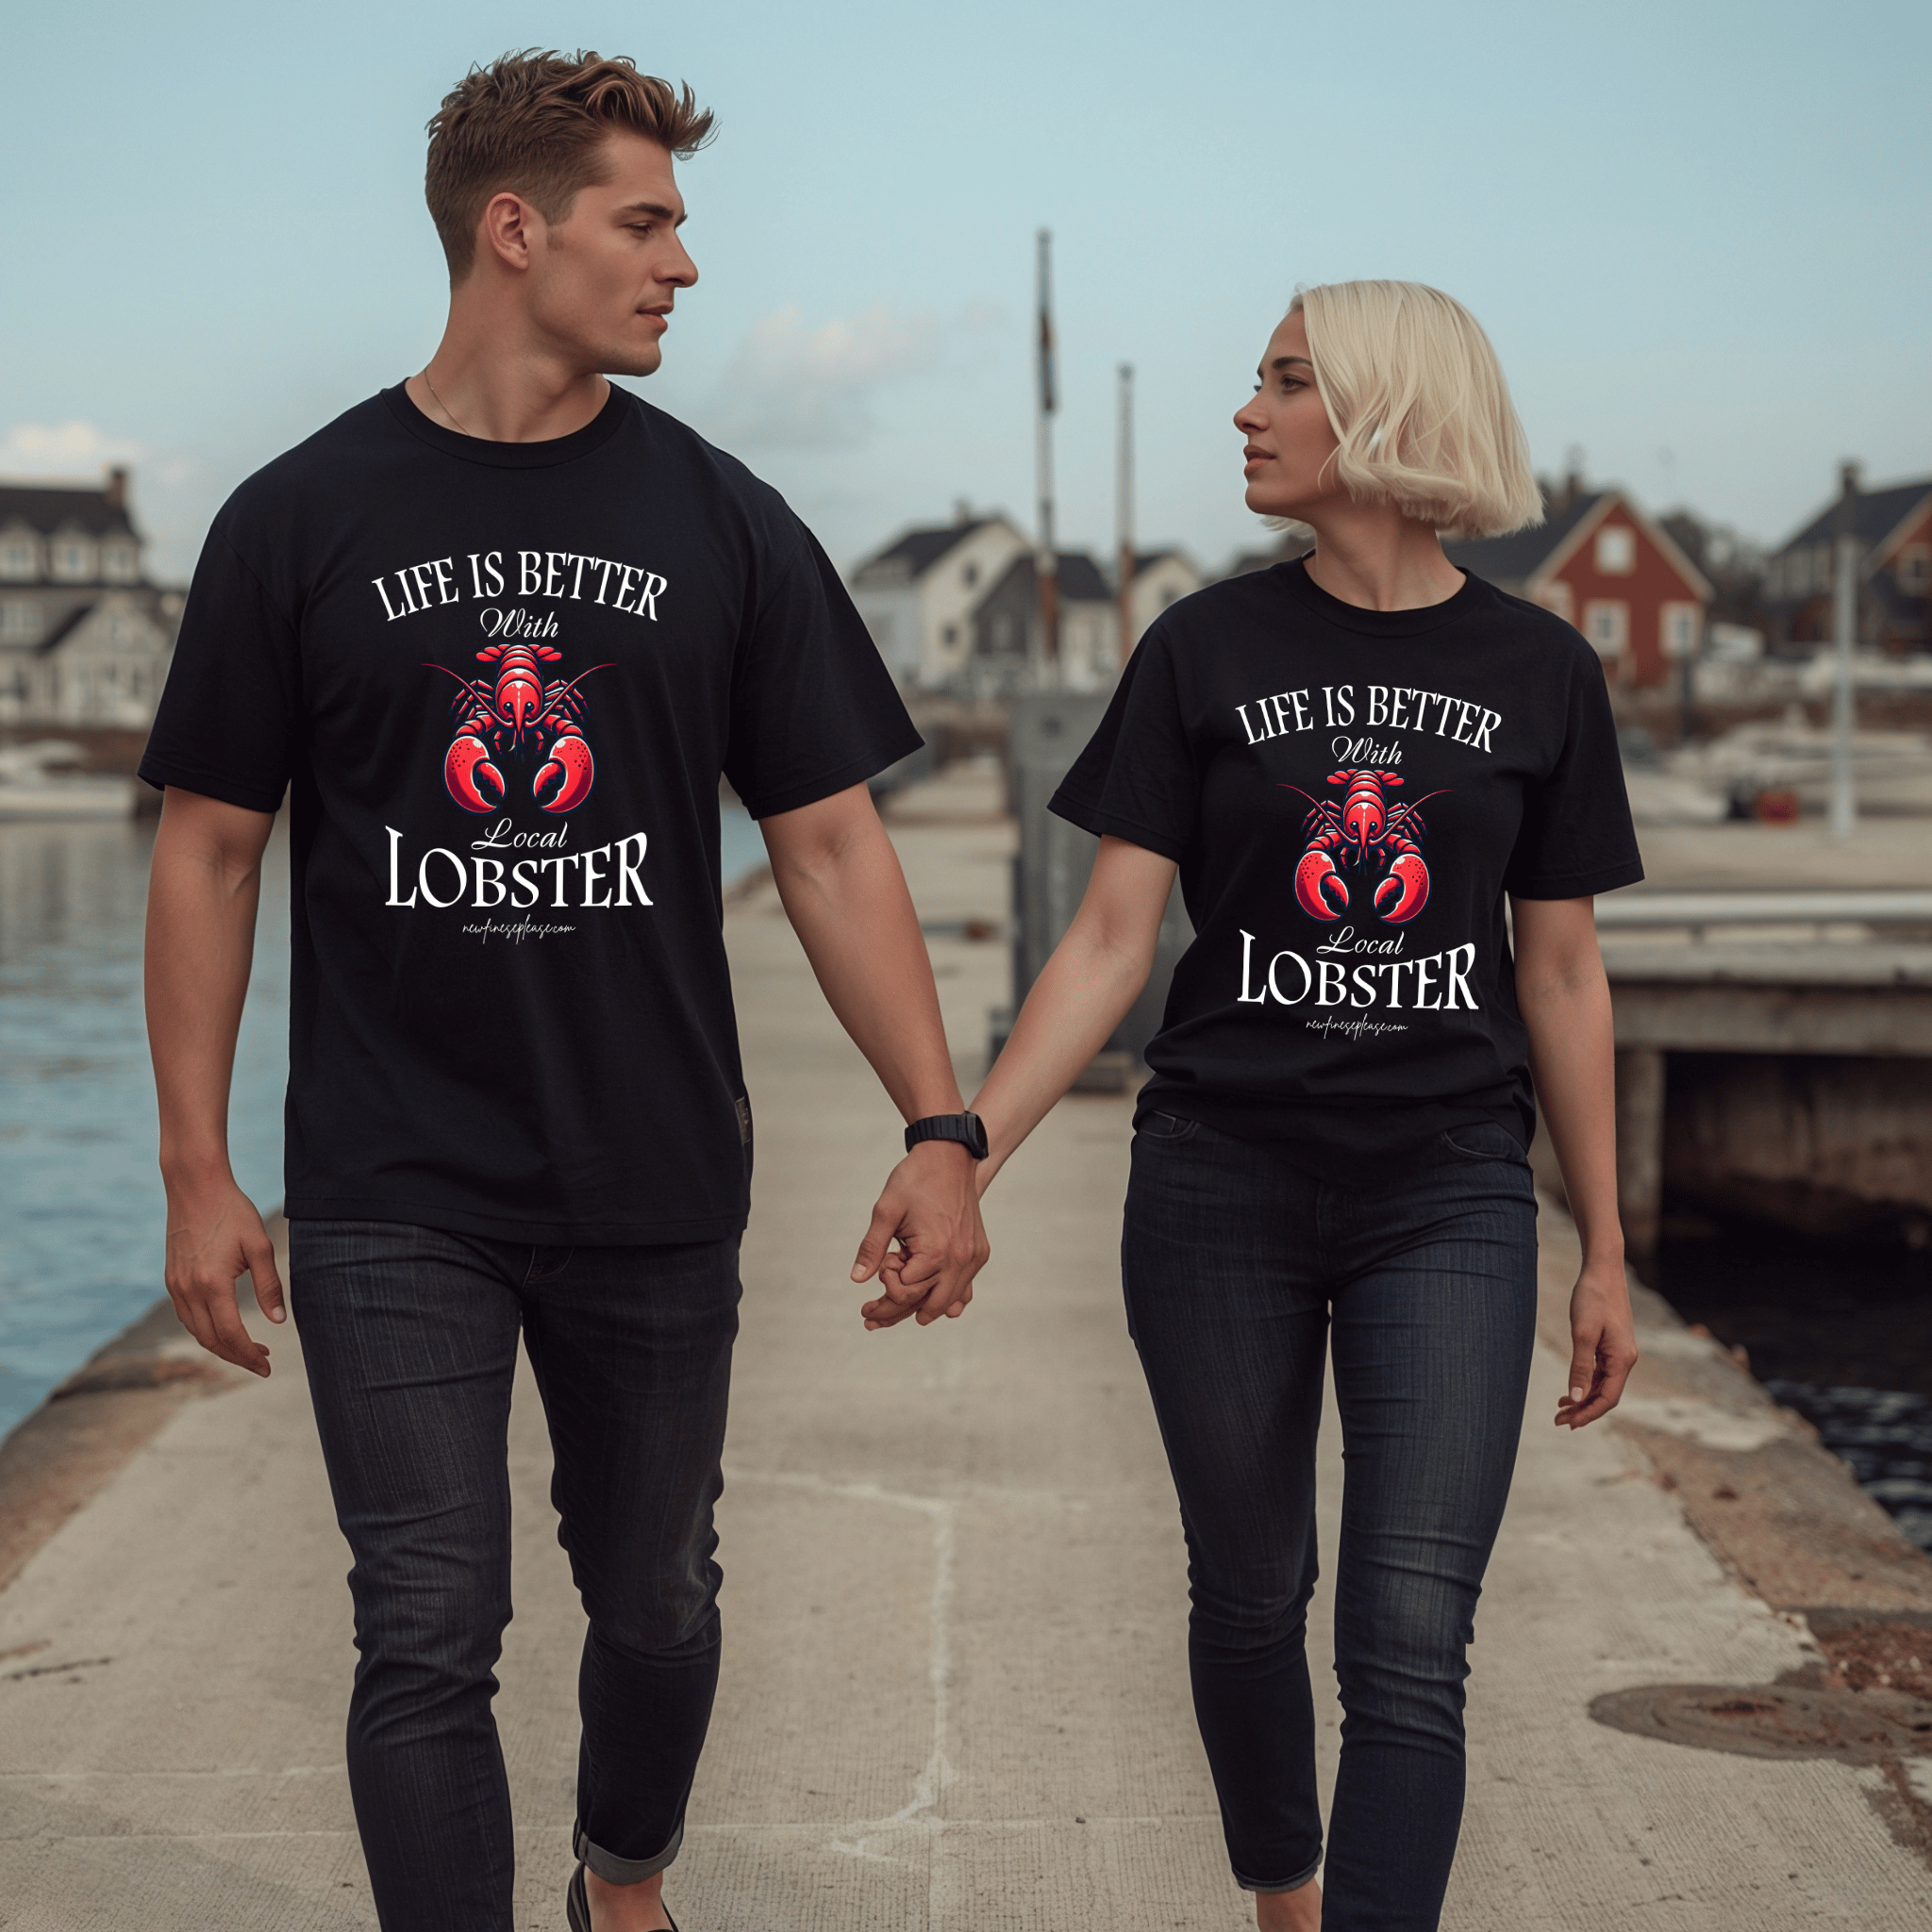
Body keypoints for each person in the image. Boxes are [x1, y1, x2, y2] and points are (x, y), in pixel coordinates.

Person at [142, 51, 989, 1932]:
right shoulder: (298, 517)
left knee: (657, 1596)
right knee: (424, 1623)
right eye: (648, 220)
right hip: (391, 1179)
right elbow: (207, 851)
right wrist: (198, 1168)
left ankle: (624, 1873)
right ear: (515, 230)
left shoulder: (725, 519)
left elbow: (830, 845)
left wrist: (942, 1126)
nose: (685, 263)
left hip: (653, 1170)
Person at [865, 280, 1643, 1930]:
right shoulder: (1202, 647)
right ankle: (1284, 1899)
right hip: (1217, 1185)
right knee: (1246, 1594)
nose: (1247, 409)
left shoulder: (1542, 669)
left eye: (1287, 381)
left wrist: (1605, 1247)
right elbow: (1108, 944)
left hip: (1449, 1190)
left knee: (1411, 1632)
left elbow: (1564, 974)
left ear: (1385, 412)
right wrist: (963, 1151)